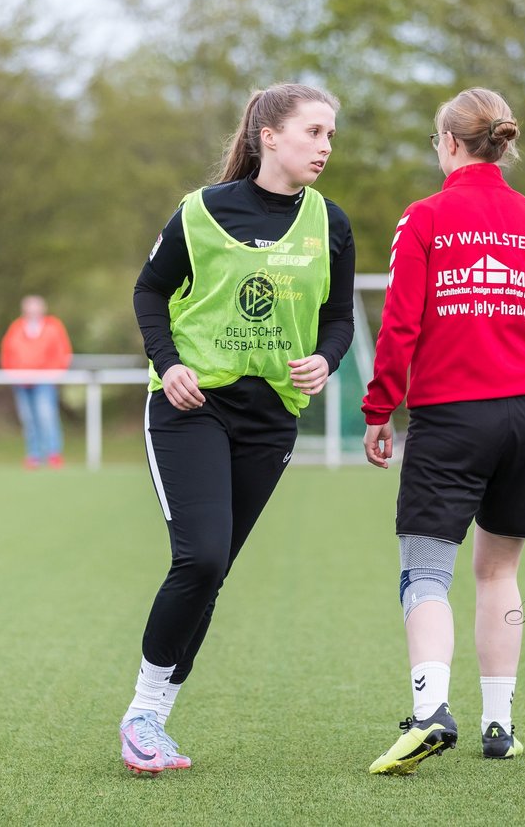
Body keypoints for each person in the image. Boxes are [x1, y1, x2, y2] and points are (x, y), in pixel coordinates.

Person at [118, 83, 356, 775]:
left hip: (270, 419)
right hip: (192, 409)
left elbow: (338, 316)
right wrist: (168, 366)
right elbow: (148, 291)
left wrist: (326, 358)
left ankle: (154, 720)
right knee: (202, 558)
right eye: (314, 132)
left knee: (213, 572)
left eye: (331, 136)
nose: (325, 147)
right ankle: (142, 716)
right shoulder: (201, 212)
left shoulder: (331, 223)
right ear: (269, 136)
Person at [361, 88, 525, 775]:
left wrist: (378, 408)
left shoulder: (425, 218)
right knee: (499, 570)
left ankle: (430, 713)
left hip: (453, 413)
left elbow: (400, 324)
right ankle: (499, 726)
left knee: (426, 568)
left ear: (450, 143)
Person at [0, 295, 73, 469]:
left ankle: (53, 454)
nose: (32, 312)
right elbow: (7, 353)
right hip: (21, 382)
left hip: (45, 381)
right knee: (28, 419)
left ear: (42, 309)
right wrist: (13, 374)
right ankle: (34, 455)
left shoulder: (53, 327)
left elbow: (62, 352)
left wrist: (55, 373)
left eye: (35, 308)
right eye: (29, 308)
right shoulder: (16, 328)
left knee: (47, 416)